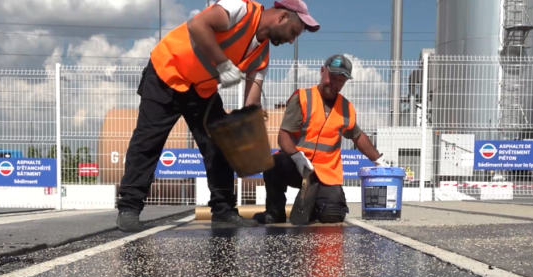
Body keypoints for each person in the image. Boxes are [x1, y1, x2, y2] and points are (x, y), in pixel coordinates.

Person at [116, 0, 320, 232]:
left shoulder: (261, 57)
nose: (292, 40)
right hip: (167, 72)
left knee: (220, 146)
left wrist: (246, 133)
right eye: (294, 32)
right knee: (148, 141)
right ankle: (129, 208)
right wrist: (223, 64)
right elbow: (197, 25)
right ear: (282, 17)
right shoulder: (240, 9)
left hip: (201, 91)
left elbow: (251, 102)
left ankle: (223, 211)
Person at [255, 54, 389, 225]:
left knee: (332, 215)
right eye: (332, 77)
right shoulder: (303, 98)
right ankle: (274, 213)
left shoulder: (346, 108)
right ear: (322, 71)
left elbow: (358, 136)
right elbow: (283, 136)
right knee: (274, 163)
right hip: (297, 167)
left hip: (325, 174)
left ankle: (312, 207)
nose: (334, 84)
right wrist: (296, 156)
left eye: (341, 81)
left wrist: (378, 160)